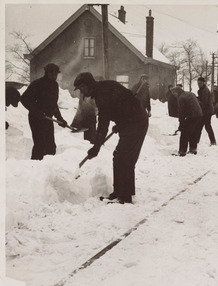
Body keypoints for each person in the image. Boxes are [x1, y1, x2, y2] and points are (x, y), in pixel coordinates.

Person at [73, 72, 149, 204]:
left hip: (136, 122)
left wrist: (96, 147)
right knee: (119, 156)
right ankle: (119, 193)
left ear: (89, 85)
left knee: (124, 157)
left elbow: (103, 123)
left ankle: (125, 197)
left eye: (82, 88)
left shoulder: (102, 94)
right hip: (130, 121)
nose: (83, 93)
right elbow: (123, 105)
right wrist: (120, 124)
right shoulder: (103, 88)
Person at [20, 63, 68, 160]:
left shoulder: (55, 85)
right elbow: (24, 99)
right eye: (53, 74)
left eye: (56, 74)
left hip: (47, 118)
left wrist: (60, 118)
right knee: (40, 145)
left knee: (50, 146)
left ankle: (47, 169)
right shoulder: (37, 84)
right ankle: (34, 168)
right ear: (47, 73)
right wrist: (35, 111)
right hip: (36, 118)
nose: (55, 76)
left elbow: (53, 104)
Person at [170, 86, 203, 156]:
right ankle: (193, 149)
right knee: (193, 132)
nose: (174, 95)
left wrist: (181, 124)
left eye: (174, 94)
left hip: (192, 116)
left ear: (177, 92)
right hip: (199, 115)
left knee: (185, 133)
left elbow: (181, 113)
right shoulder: (190, 93)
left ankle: (182, 151)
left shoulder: (181, 98)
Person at [196, 77, 216, 146]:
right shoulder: (201, 90)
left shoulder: (205, 91)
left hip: (207, 111)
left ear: (203, 83)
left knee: (206, 126)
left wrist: (197, 102)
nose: (199, 84)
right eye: (198, 83)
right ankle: (197, 141)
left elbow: (204, 103)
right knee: (201, 126)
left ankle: (213, 141)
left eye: (200, 83)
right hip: (206, 111)